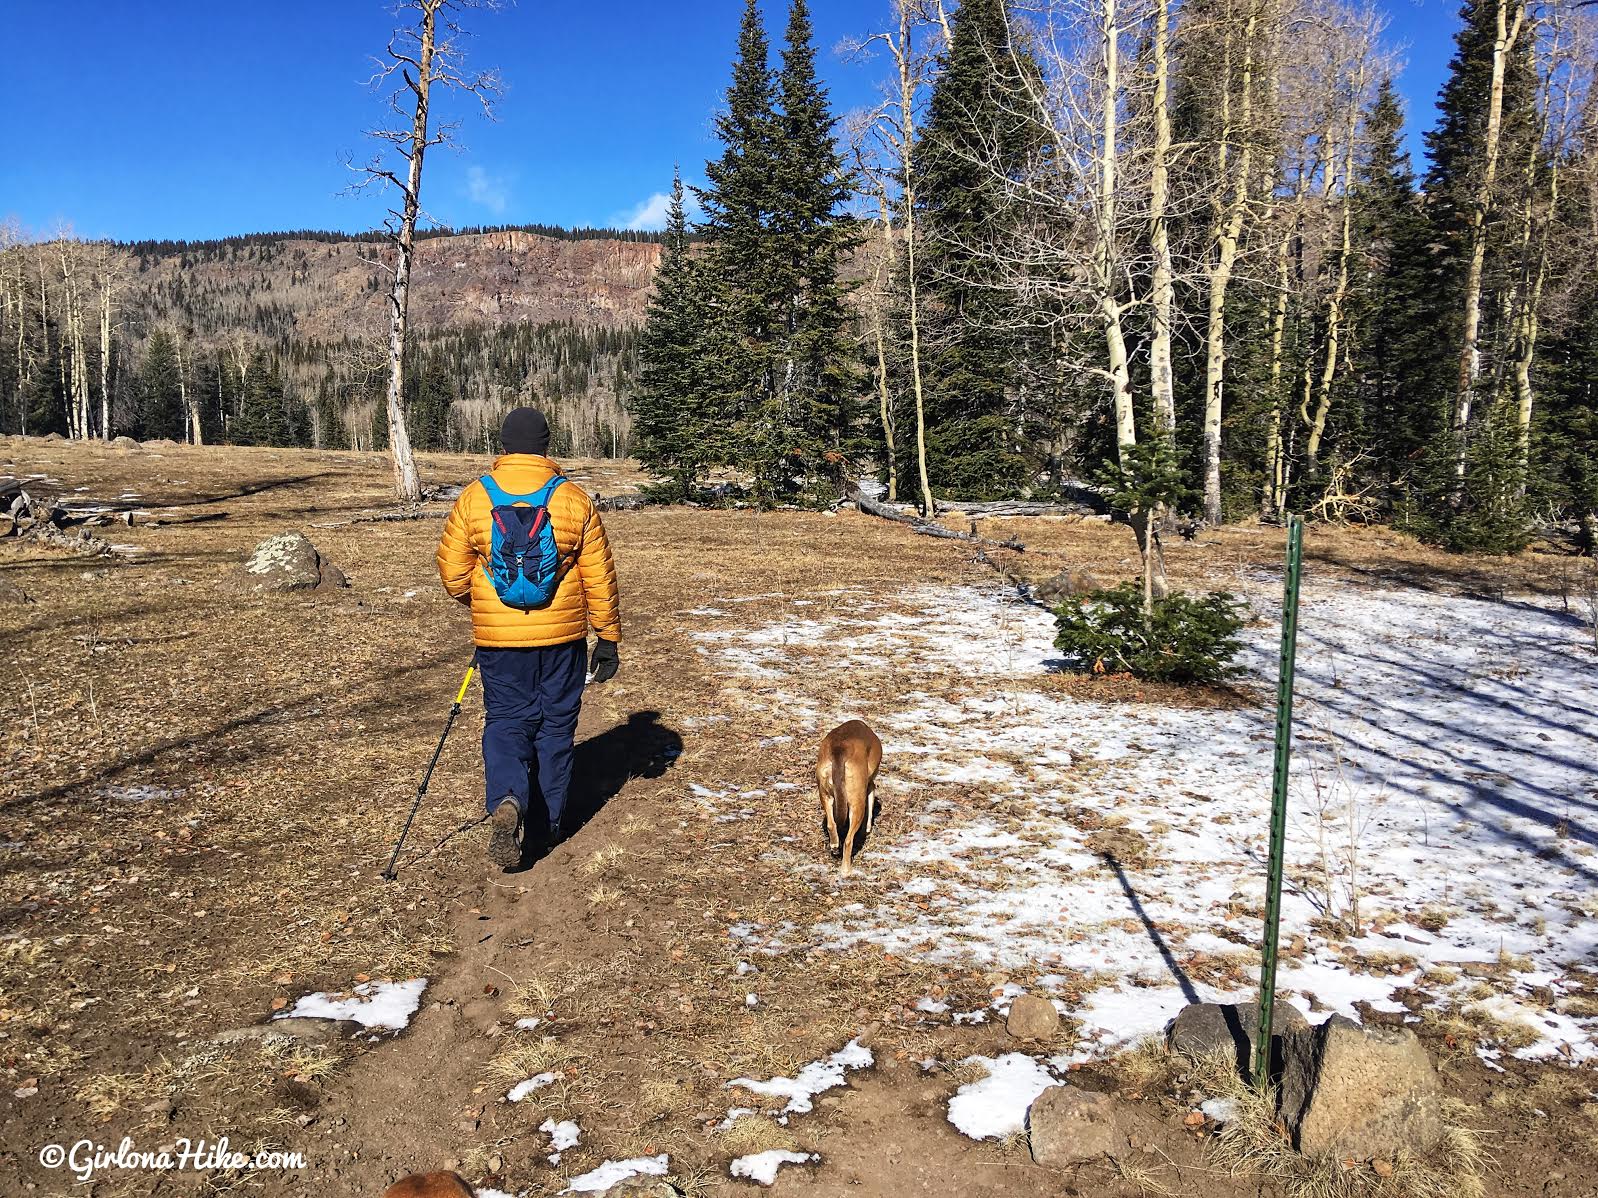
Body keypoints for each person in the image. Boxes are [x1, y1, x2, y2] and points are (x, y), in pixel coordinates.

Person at [435, 408, 621, 868]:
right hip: (563, 641)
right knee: (556, 726)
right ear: (545, 446)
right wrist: (608, 637)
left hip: (499, 642)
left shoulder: (474, 498)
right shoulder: (574, 500)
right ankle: (547, 827)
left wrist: (483, 604)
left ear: (504, 445)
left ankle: (508, 799)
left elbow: (453, 573)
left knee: (505, 721)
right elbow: (598, 575)